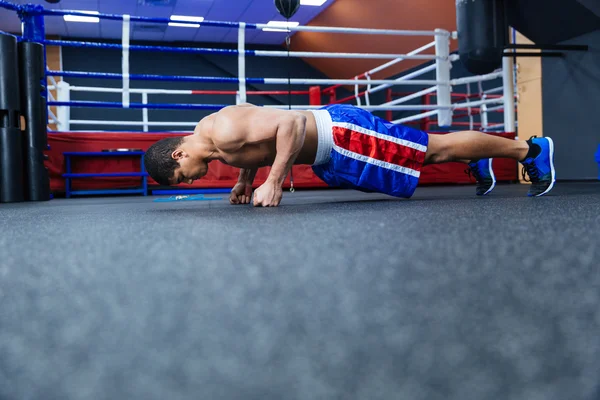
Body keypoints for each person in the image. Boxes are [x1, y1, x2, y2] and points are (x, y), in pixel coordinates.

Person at [143, 103, 555, 207]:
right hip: (332, 153)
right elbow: (256, 149)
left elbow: (290, 124)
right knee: (423, 156)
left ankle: (528, 149)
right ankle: (478, 159)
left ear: (178, 155)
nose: (191, 181)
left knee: (430, 151)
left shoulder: (223, 130)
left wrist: (271, 182)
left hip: (340, 133)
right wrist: (244, 181)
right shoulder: (212, 144)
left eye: (183, 177)